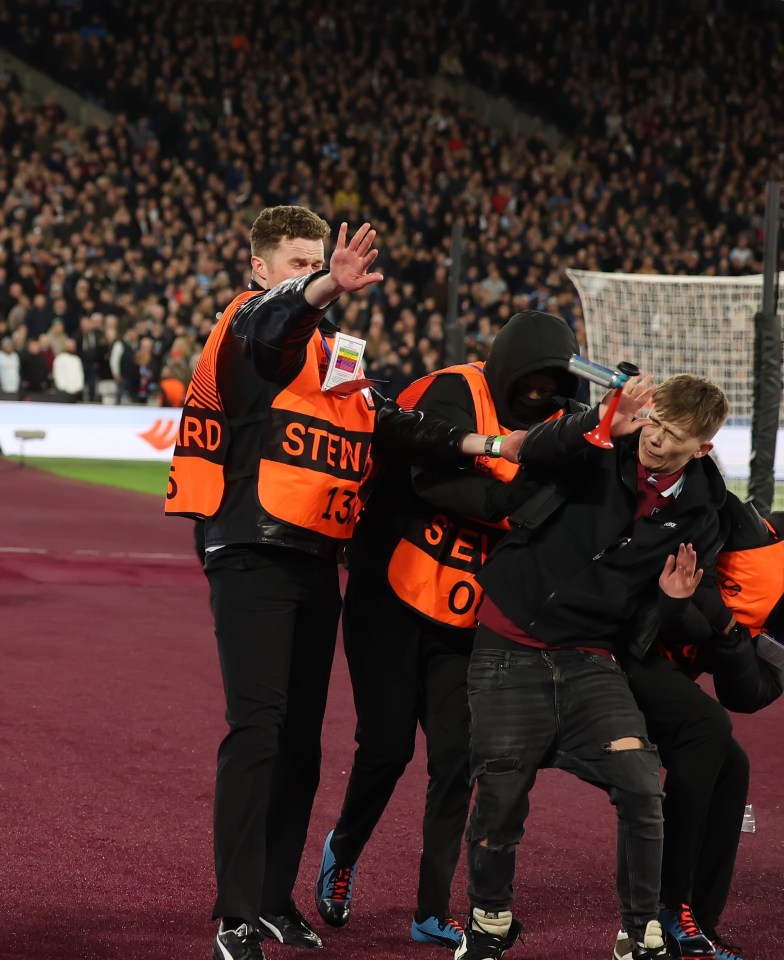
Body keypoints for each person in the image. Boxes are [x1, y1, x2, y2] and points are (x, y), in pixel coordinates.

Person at [164, 205, 525, 960]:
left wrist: (490, 440)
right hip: (251, 550)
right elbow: (275, 324)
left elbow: (389, 420)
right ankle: (233, 914)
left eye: (316, 259)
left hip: (316, 560)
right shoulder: (251, 325)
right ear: (260, 269)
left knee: (300, 743)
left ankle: (272, 901)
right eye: (297, 262)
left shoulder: (339, 356)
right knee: (258, 730)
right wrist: (323, 284)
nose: (311, 271)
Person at [315, 310, 584, 950]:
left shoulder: (552, 430)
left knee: (456, 762)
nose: (538, 396)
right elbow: (428, 477)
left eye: (552, 387)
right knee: (386, 750)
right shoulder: (455, 388)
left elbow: (558, 511)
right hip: (390, 597)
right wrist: (513, 503)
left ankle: (431, 909)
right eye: (532, 382)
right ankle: (342, 850)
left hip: (464, 616)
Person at [456, 373, 731, 960]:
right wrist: (600, 423)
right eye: (655, 422)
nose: (656, 439)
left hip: (592, 658)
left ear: (702, 447)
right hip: (509, 641)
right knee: (500, 793)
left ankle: (640, 931)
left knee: (640, 787)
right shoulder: (604, 443)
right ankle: (489, 922)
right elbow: (536, 450)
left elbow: (666, 615)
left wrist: (674, 604)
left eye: (675, 434)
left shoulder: (706, 511)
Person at [615, 494, 784, 960]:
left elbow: (752, 693)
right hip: (619, 645)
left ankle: (694, 927)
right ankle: (665, 907)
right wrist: (712, 619)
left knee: (733, 765)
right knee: (707, 728)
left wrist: (728, 633)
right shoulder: (748, 534)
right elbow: (682, 553)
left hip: (658, 661)